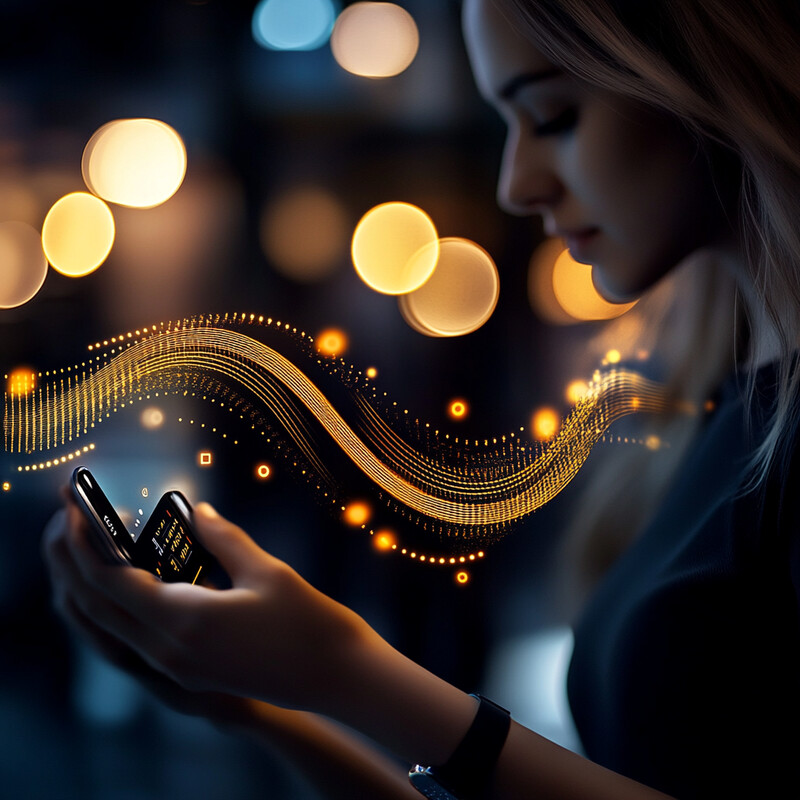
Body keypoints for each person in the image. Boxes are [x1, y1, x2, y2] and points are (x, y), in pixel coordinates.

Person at [42, 0, 800, 797]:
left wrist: (349, 671)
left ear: (707, 76)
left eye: (554, 115)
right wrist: (263, 705)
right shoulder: (721, 397)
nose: (517, 184)